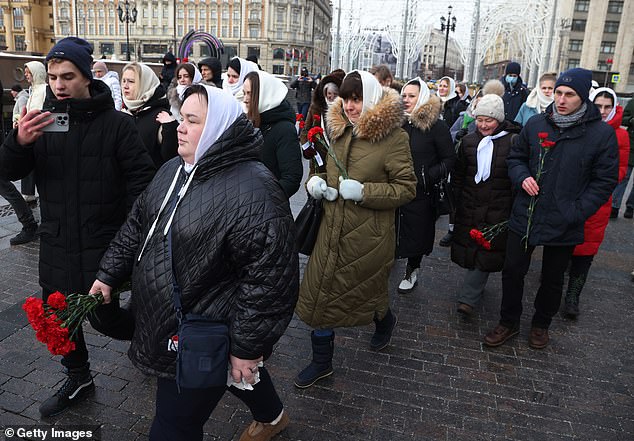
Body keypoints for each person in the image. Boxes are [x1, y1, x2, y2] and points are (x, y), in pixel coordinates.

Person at [88, 84, 298, 441]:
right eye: (180, 117)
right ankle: (272, 415)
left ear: (217, 128)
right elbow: (139, 224)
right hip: (167, 317)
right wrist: (108, 274)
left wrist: (247, 348)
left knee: (173, 427)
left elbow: (270, 280)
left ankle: (259, 399)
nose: (179, 127)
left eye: (192, 120)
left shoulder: (257, 190)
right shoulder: (174, 169)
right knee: (234, 373)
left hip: (200, 330)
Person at [0, 37, 155, 417]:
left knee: (105, 318)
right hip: (56, 241)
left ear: (86, 77)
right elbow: (7, 171)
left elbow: (142, 185)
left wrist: (127, 239)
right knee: (58, 316)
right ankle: (79, 376)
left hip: (102, 243)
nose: (58, 84)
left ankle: (153, 332)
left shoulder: (118, 125)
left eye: (67, 76)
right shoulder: (44, 122)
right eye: (53, 77)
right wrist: (19, 141)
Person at [294, 70, 416, 388]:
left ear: (372, 98)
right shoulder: (336, 130)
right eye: (347, 98)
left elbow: (406, 189)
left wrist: (364, 193)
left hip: (368, 236)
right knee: (322, 296)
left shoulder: (394, 138)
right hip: (331, 229)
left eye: (357, 99)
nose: (350, 105)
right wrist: (316, 183)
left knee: (368, 291)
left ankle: (384, 321)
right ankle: (322, 363)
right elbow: (321, 167)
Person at [484, 68, 618, 350]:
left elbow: (604, 181)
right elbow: (516, 158)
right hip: (527, 213)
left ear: (583, 97)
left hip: (566, 218)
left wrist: (577, 210)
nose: (561, 99)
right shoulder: (535, 124)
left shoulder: (601, 134)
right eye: (558, 92)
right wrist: (522, 177)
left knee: (553, 278)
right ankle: (508, 322)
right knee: (512, 271)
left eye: (569, 94)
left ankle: (541, 325)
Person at [562, 87, 630, 318]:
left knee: (586, 249)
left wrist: (594, 185)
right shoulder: (580, 127)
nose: (602, 111)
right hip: (570, 195)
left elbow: (619, 170)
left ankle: (573, 295)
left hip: (597, 201)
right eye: (598, 105)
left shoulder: (620, 134)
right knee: (563, 244)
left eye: (607, 107)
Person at [450, 94, 520, 316]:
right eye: (479, 120)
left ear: (498, 119)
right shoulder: (469, 142)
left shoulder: (512, 141)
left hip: (498, 208)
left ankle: (468, 298)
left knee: (485, 250)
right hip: (470, 205)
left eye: (488, 120)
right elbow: (460, 175)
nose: (483, 125)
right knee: (473, 248)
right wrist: (455, 205)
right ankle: (475, 287)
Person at [396, 78, 456, 293]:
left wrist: (427, 176)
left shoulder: (436, 126)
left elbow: (449, 159)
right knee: (393, 227)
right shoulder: (397, 122)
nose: (406, 100)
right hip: (395, 188)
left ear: (421, 97)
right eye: (404, 95)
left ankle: (412, 269)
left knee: (417, 232)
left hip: (422, 192)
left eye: (412, 96)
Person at [243, 71, 303, 198]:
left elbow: (291, 178)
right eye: (244, 93)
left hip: (268, 211)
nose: (245, 99)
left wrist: (266, 200)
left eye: (250, 94)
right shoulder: (250, 124)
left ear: (264, 95)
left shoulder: (284, 129)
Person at [121, 62, 179, 168]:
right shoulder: (123, 113)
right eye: (123, 81)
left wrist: (170, 129)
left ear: (145, 84)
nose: (125, 86)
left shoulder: (161, 116)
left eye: (131, 81)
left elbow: (171, 160)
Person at [300, 69, 345, 172]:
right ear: (325, 93)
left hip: (337, 158)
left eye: (335, 94)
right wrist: (306, 147)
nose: (331, 96)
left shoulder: (345, 109)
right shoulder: (316, 107)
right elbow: (306, 129)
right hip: (319, 155)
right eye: (329, 93)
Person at [22, 61, 47, 203]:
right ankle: (28, 193)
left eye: (28, 72)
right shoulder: (33, 90)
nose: (26, 75)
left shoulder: (44, 89)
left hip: (39, 131)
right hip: (32, 130)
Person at [612, 96, 634, 218]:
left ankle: (631, 207)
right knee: (624, 177)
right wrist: (631, 120)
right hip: (631, 146)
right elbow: (623, 119)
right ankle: (615, 206)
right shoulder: (632, 103)